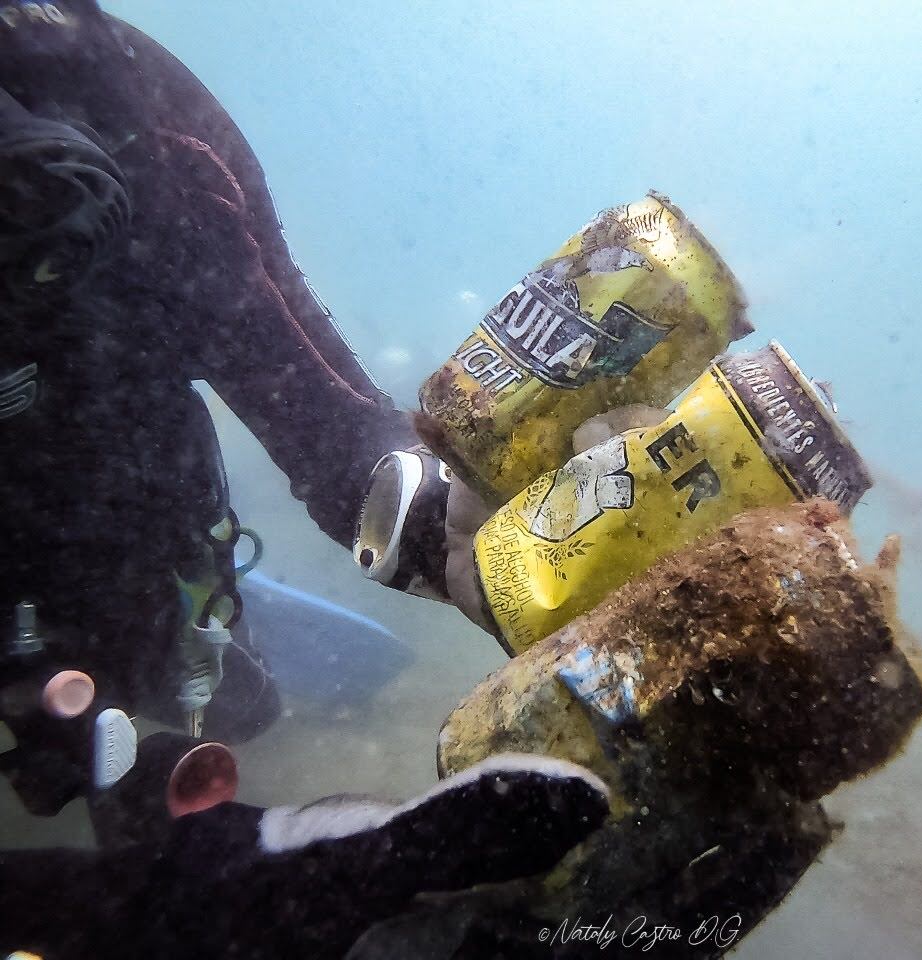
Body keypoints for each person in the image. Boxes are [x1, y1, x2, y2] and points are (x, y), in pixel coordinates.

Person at [0, 1, 611, 955]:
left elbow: (311, 400)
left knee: (224, 700)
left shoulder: (135, 133)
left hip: (120, 559)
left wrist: (438, 521)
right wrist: (120, 906)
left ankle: (195, 637)